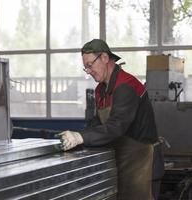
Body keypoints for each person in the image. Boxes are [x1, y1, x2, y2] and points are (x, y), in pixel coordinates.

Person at [58, 39, 164, 200]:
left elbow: (116, 126)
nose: (89, 71)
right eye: (86, 67)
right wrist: (78, 138)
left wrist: (81, 137)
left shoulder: (126, 86)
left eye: (90, 65)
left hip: (143, 160)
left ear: (105, 58)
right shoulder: (101, 89)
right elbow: (97, 123)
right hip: (123, 158)